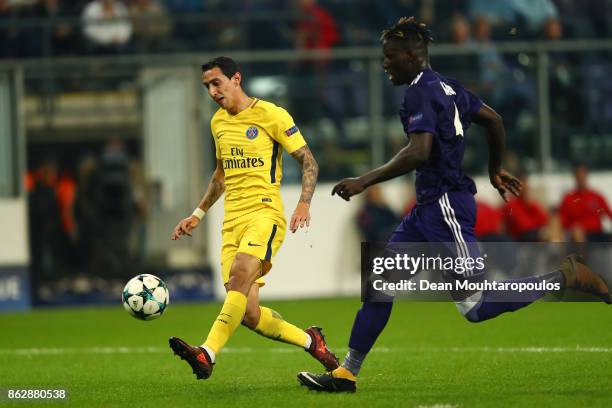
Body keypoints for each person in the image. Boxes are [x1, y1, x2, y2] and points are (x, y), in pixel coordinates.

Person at [297, 17, 611, 393]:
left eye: (391, 57)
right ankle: (347, 372)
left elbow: (419, 151)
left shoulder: (420, 91)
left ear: (414, 56)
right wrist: (494, 170)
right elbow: (493, 120)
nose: (385, 64)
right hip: (428, 208)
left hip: (445, 208)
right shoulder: (447, 86)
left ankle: (567, 276)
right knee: (380, 284)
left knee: (475, 307)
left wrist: (364, 180)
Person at [168, 57, 338, 380]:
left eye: (217, 82)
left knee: (241, 273)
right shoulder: (217, 123)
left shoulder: (271, 114)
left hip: (264, 213)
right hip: (231, 221)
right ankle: (311, 341)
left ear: (236, 78)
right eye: (206, 86)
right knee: (248, 313)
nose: (212, 91)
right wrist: (197, 214)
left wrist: (304, 203)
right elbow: (220, 176)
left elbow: (309, 162)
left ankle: (207, 353)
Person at [559, 164, 612, 242]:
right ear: (575, 177)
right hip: (579, 235)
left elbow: (608, 214)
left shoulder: (596, 196)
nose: (581, 178)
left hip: (597, 233)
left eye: (583, 175)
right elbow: (562, 220)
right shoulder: (568, 198)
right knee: (578, 235)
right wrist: (572, 227)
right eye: (579, 175)